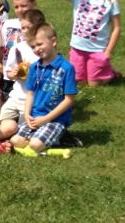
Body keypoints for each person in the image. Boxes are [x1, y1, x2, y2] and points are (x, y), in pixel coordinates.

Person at [49, 0, 121, 86]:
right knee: (80, 83)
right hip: (77, 49)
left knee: (94, 84)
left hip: (97, 50)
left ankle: (111, 73)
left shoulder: (110, 2)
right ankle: (104, 70)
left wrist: (108, 51)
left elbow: (117, 28)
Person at [10, 24, 77, 153]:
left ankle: (61, 137)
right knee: (15, 141)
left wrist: (46, 119)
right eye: (33, 47)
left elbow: (69, 100)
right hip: (35, 117)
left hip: (55, 120)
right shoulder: (34, 67)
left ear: (53, 41)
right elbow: (30, 94)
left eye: (40, 44)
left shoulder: (66, 68)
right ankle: (45, 139)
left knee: (35, 145)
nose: (37, 49)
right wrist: (27, 115)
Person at [0, 10, 45, 139]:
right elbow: (8, 72)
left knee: (26, 129)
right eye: (22, 28)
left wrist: (32, 70)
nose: (24, 31)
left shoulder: (43, 50)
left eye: (28, 27)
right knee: (1, 120)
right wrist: (13, 73)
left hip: (33, 100)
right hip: (16, 96)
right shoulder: (17, 48)